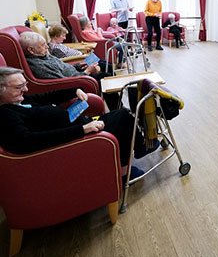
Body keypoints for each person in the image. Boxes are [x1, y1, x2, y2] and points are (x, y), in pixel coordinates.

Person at [0, 67, 159, 180]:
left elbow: (46, 96)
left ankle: (139, 147)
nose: (26, 90)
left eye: (25, 85)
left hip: (78, 126)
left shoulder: (18, 101)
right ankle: (125, 173)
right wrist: (82, 130)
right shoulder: (5, 114)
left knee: (122, 115)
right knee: (123, 119)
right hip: (74, 140)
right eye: (19, 87)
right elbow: (28, 141)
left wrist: (74, 90)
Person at [19, 31, 118, 110]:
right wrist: (87, 72)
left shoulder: (43, 55)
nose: (47, 46)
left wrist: (78, 66)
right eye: (43, 45)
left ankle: (118, 103)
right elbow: (62, 84)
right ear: (31, 50)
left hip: (78, 73)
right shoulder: (38, 65)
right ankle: (116, 109)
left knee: (101, 63)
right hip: (77, 83)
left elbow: (63, 67)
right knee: (105, 77)